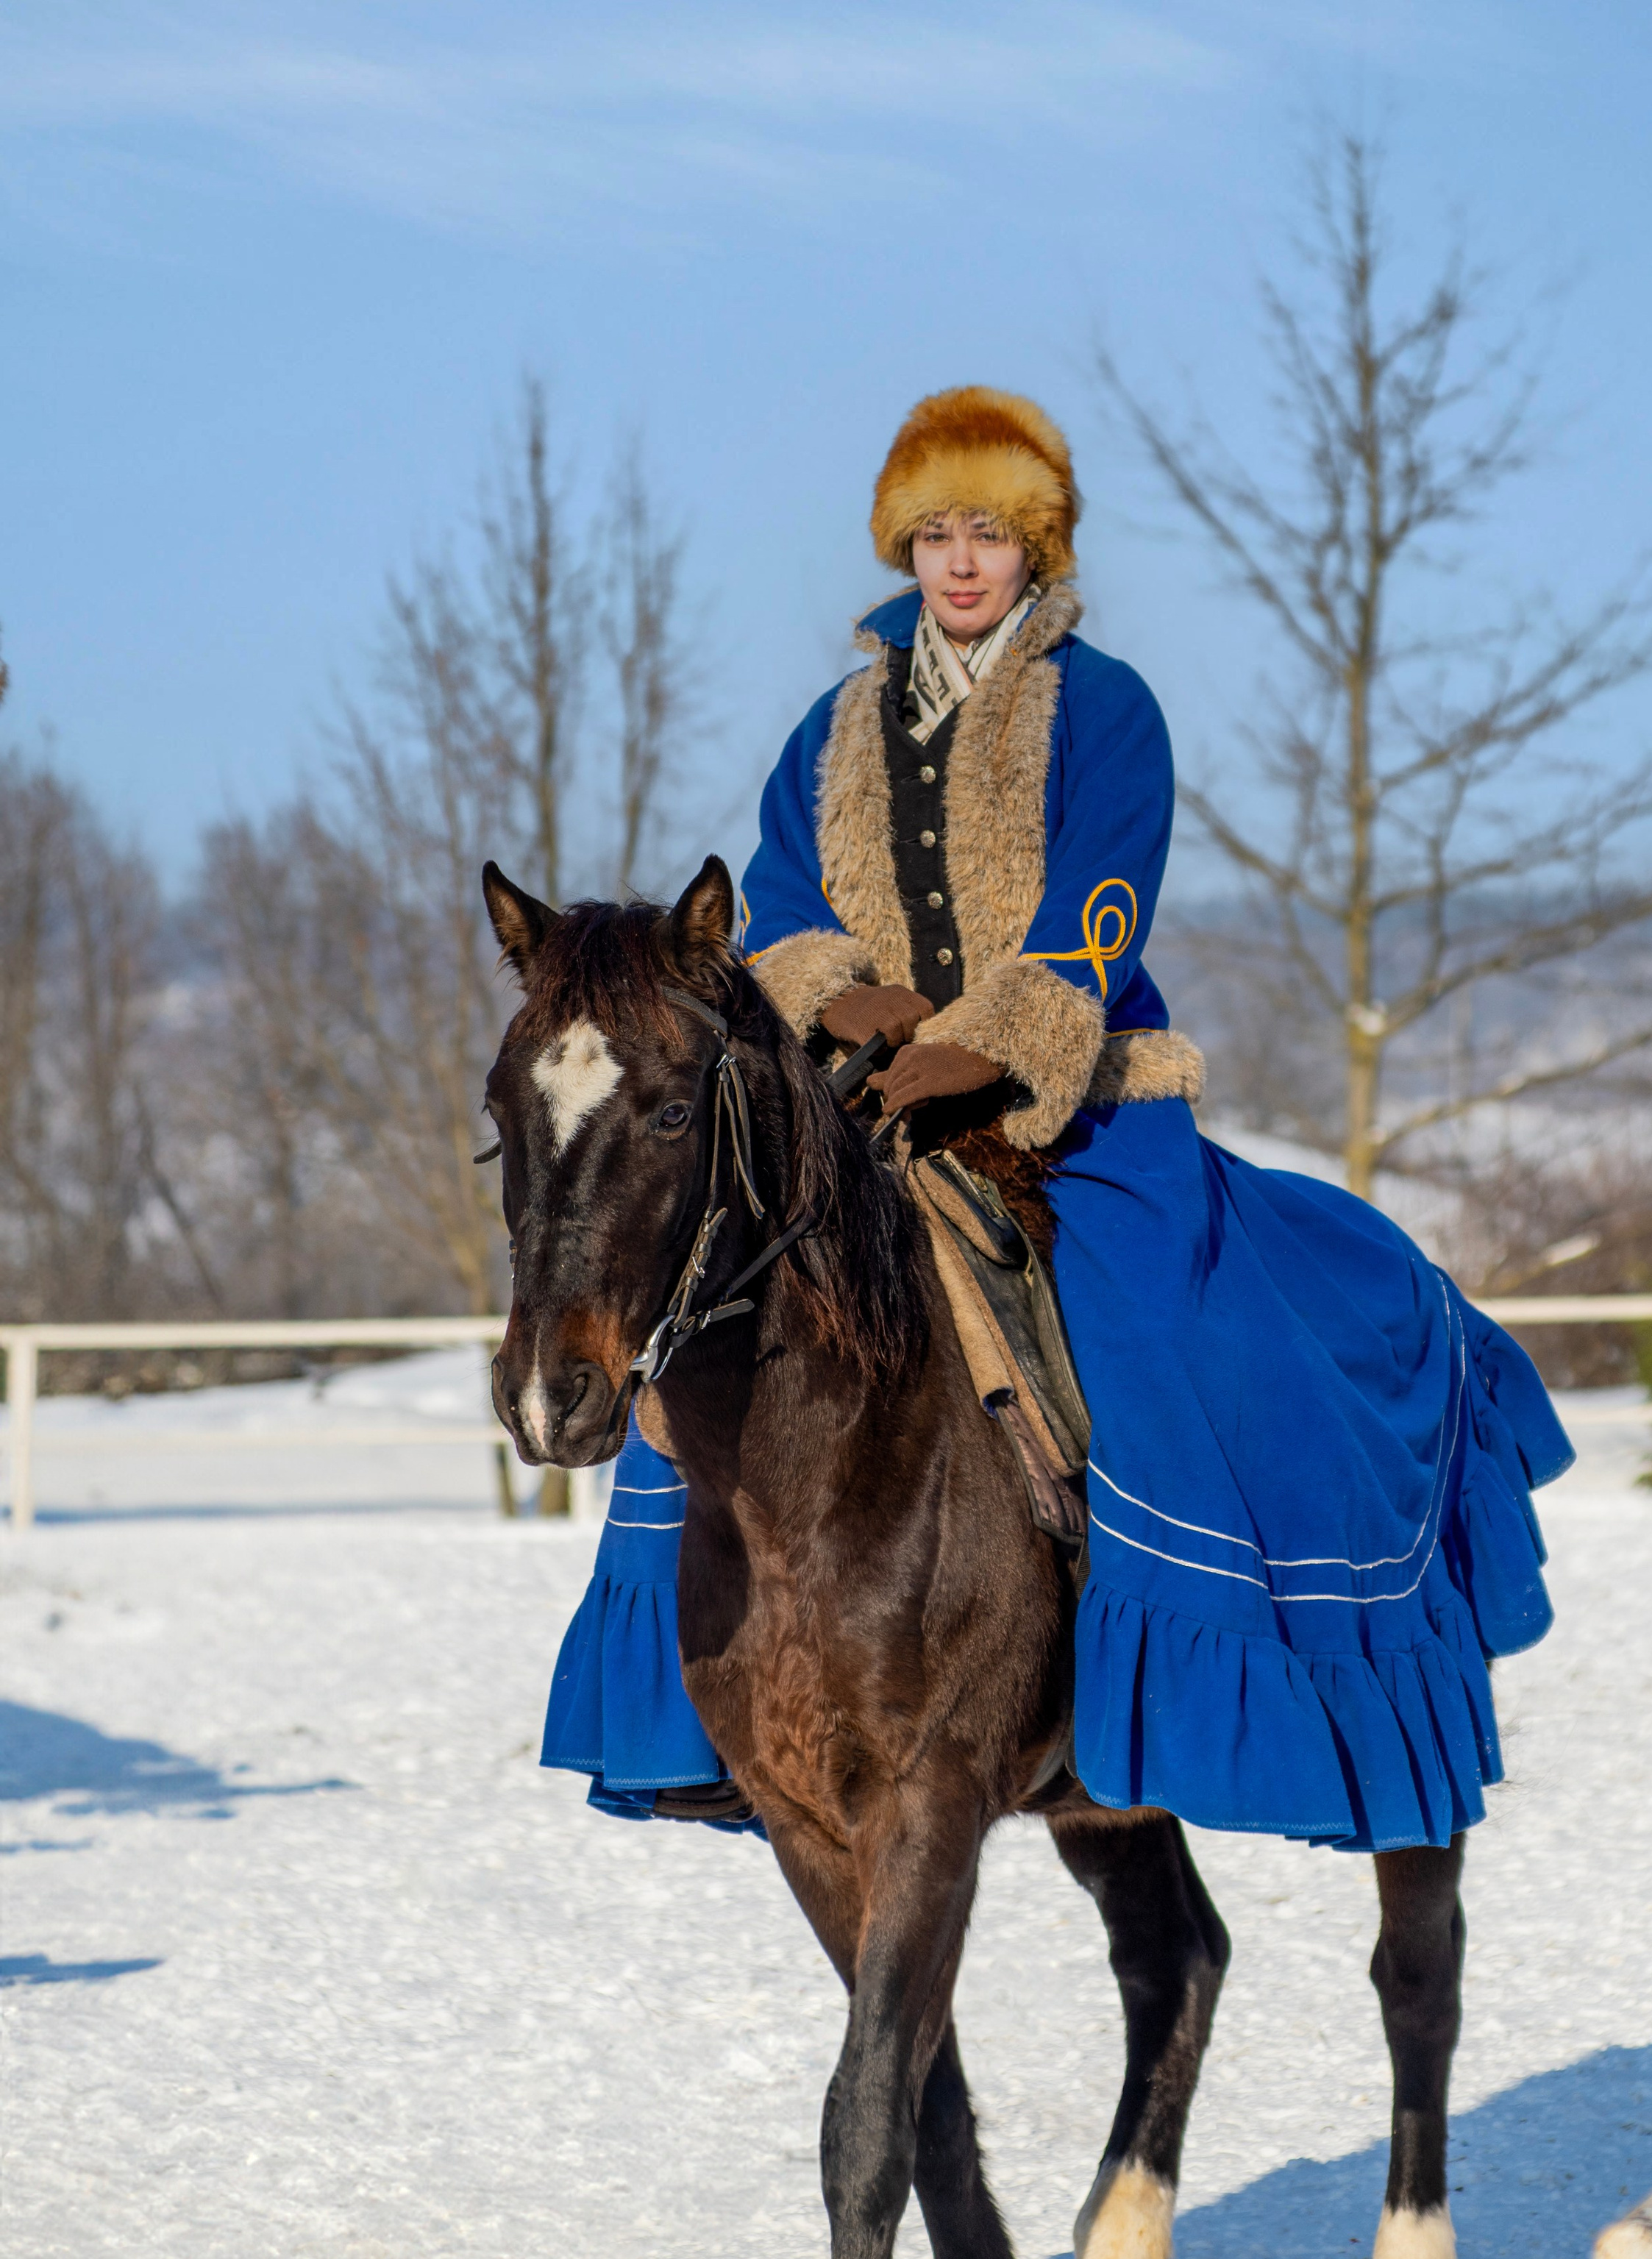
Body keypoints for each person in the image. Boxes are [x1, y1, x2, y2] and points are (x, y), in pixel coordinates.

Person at [544, 386, 1573, 1849]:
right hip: (855, 1111)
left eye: (991, 532)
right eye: (937, 533)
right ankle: (696, 1690)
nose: (961, 561)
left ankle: (1145, 1678)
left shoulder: (1104, 707)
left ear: (1037, 547)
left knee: (1165, 1340)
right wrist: (840, 1003)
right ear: (903, 547)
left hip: (1070, 1101)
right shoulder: (830, 727)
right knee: (711, 1339)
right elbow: (776, 899)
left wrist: (982, 1046)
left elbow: (1103, 905)